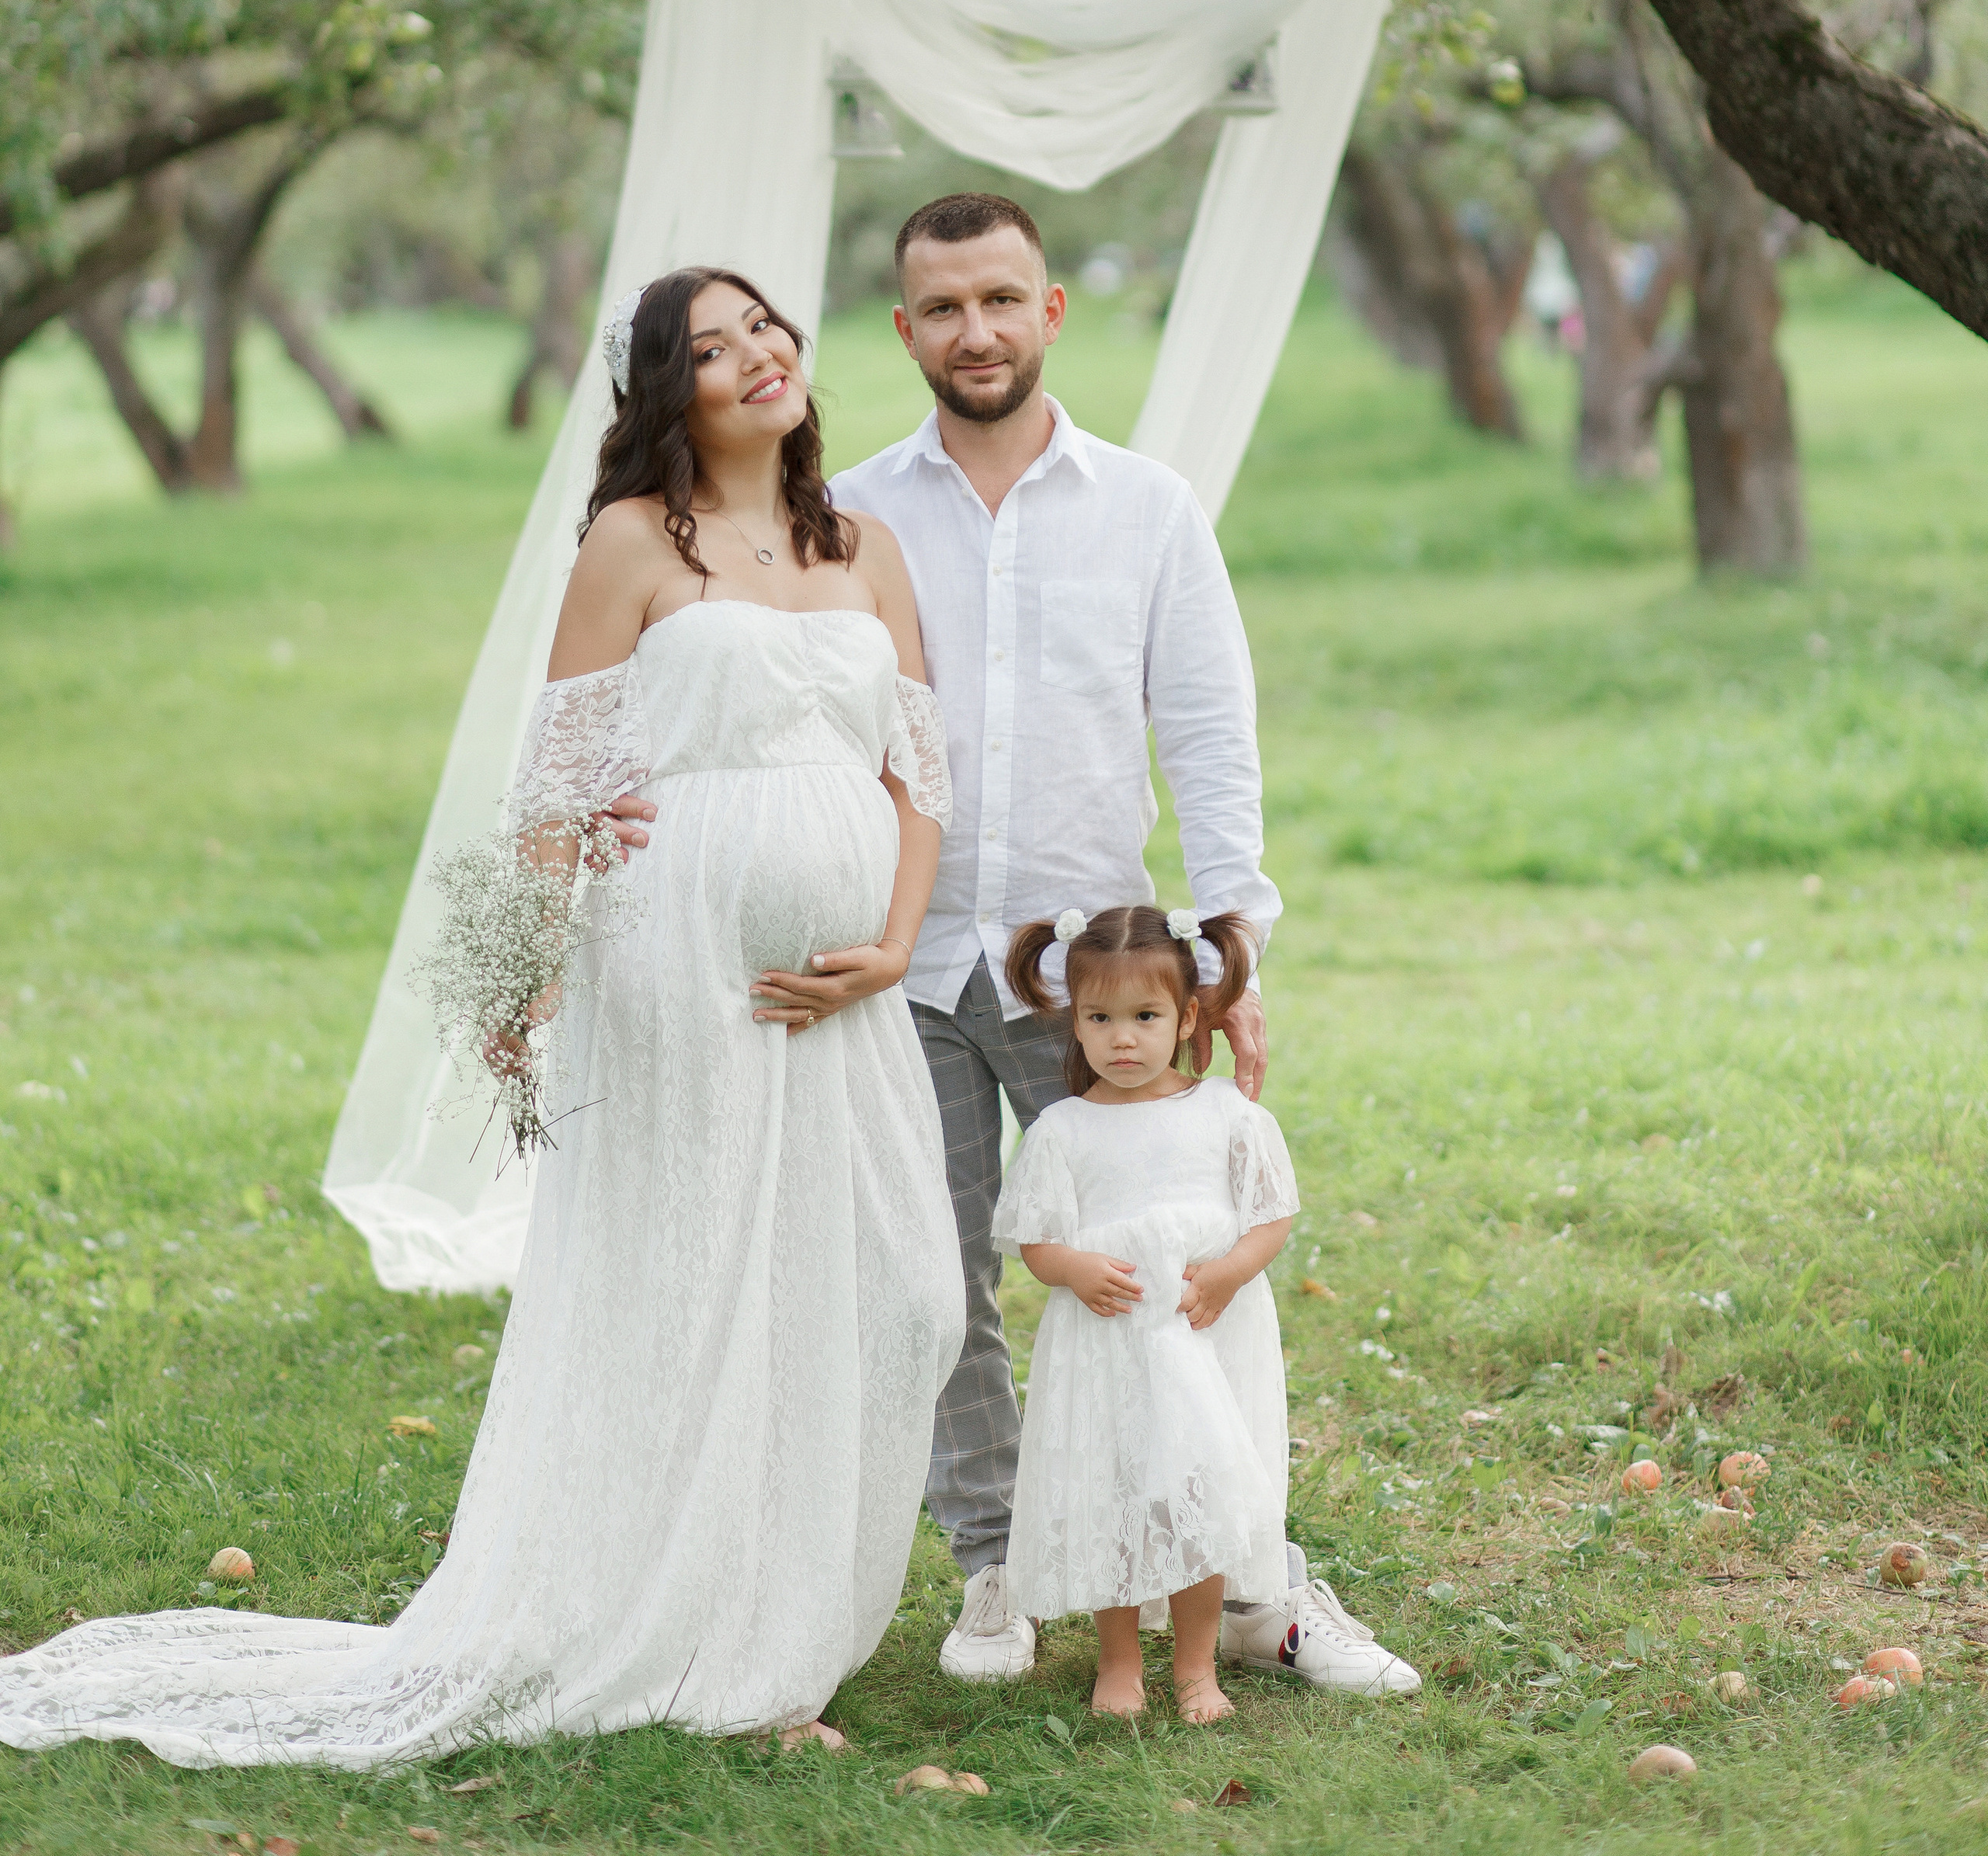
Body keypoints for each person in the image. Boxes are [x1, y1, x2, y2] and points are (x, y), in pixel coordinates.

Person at [0, 267, 964, 1765]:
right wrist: (529, 972)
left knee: (894, 1292)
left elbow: (919, 779)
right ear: (669, 393)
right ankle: (733, 1657)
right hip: (677, 965)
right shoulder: (636, 543)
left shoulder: (871, 550)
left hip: (844, 989)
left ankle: (782, 1608)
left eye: (763, 325)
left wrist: (895, 943)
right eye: (709, 348)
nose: (755, 355)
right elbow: (555, 784)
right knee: (698, 1288)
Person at [828, 191, 1418, 1698]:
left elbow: (1210, 739)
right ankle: (995, 1560)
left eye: (999, 299)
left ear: (1049, 312)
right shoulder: (847, 512)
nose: (974, 330)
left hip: (1090, 984)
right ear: (904, 331)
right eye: (941, 308)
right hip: (895, 965)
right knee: (930, 1282)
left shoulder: (1148, 509)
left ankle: (1251, 1584)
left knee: (1177, 1273)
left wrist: (1235, 956)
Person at [994, 902, 1298, 1722]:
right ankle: (1119, 1661)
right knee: (1117, 1499)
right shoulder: (1062, 1129)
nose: (1121, 1039)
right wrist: (1073, 1269)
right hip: (1108, 1350)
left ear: (1188, 1017)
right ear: (1073, 1022)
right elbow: (1035, 1240)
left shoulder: (1225, 1116)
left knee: (1194, 1495)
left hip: (1201, 1339)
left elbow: (1272, 1214)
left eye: (1144, 1017)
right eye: (1100, 1018)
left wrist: (1230, 1272)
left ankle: (1195, 1666)